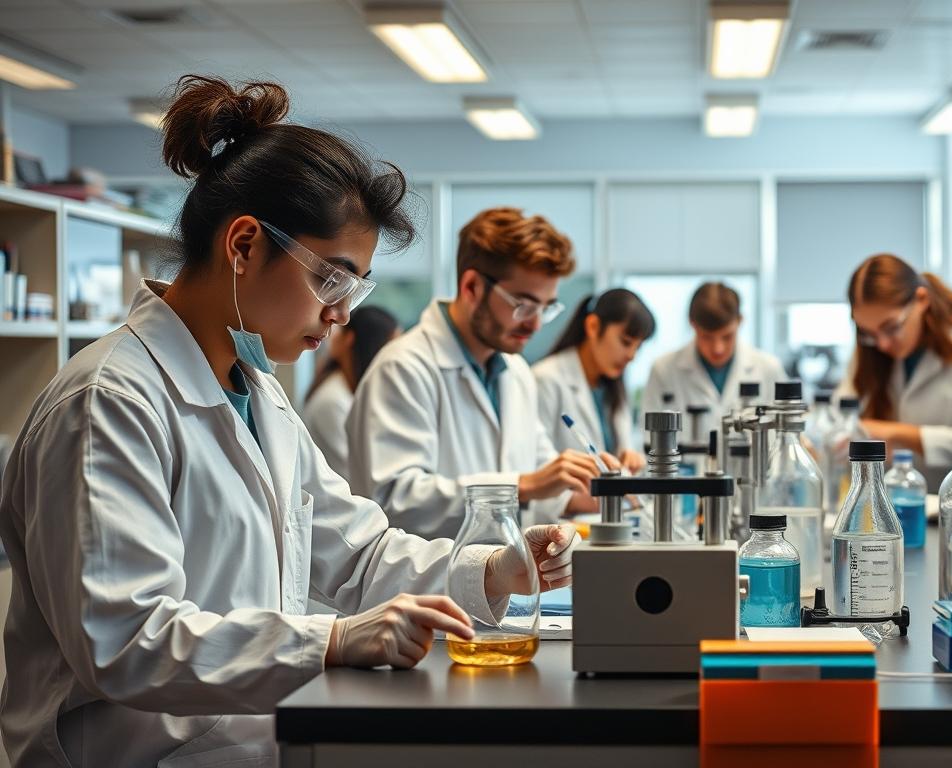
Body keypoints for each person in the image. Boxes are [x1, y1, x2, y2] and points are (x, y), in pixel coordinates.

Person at [0, 76, 577, 767]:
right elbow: (125, 640)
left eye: (354, 287)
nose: (342, 314)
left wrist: (497, 569)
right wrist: (331, 640)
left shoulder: (260, 396)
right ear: (244, 245)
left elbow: (359, 555)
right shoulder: (109, 402)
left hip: (248, 747)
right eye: (331, 278)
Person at [347, 207, 615, 539]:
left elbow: (538, 476)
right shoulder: (403, 368)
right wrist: (521, 485)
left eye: (545, 308)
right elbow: (395, 499)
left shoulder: (516, 372)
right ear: (472, 287)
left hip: (503, 566)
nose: (535, 324)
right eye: (523, 305)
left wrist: (585, 491)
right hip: (430, 570)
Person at [837, 254, 952, 488]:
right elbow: (839, 419)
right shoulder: (870, 350)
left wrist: (895, 433)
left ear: (921, 300)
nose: (883, 344)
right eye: (868, 333)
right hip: (889, 498)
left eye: (891, 327)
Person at [533, 289, 656, 473]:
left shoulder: (613, 388)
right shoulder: (546, 379)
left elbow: (618, 457)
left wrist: (630, 460)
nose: (631, 356)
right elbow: (536, 464)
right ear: (593, 326)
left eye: (638, 347)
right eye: (625, 342)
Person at [641, 281, 785, 422]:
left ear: (740, 321)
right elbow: (648, 432)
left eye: (727, 336)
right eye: (707, 337)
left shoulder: (769, 368)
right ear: (692, 324)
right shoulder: (663, 370)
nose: (718, 348)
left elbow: (785, 425)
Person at [302, 305, 400, 480]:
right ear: (351, 340)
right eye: (390, 349)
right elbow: (356, 479)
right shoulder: (332, 403)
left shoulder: (348, 393)